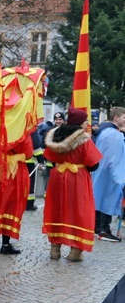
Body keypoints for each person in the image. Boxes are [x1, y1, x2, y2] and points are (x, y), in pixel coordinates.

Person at [42, 108, 102, 261]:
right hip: (77, 179)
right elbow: (93, 164)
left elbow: (51, 158)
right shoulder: (83, 139)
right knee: (79, 212)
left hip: (58, 177)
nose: (87, 123)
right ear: (81, 122)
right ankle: (75, 251)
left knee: (57, 209)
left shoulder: (55, 136)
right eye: (85, 120)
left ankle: (55, 249)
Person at [0, 113, 34, 254]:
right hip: (15, 173)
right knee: (11, 205)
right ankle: (5, 244)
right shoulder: (23, 133)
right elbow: (28, 153)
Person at [92, 106, 125, 242]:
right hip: (110, 174)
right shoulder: (113, 134)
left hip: (102, 172)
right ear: (116, 118)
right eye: (124, 117)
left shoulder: (106, 132)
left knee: (100, 199)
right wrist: (118, 177)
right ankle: (104, 230)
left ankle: (98, 228)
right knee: (107, 199)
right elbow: (112, 158)